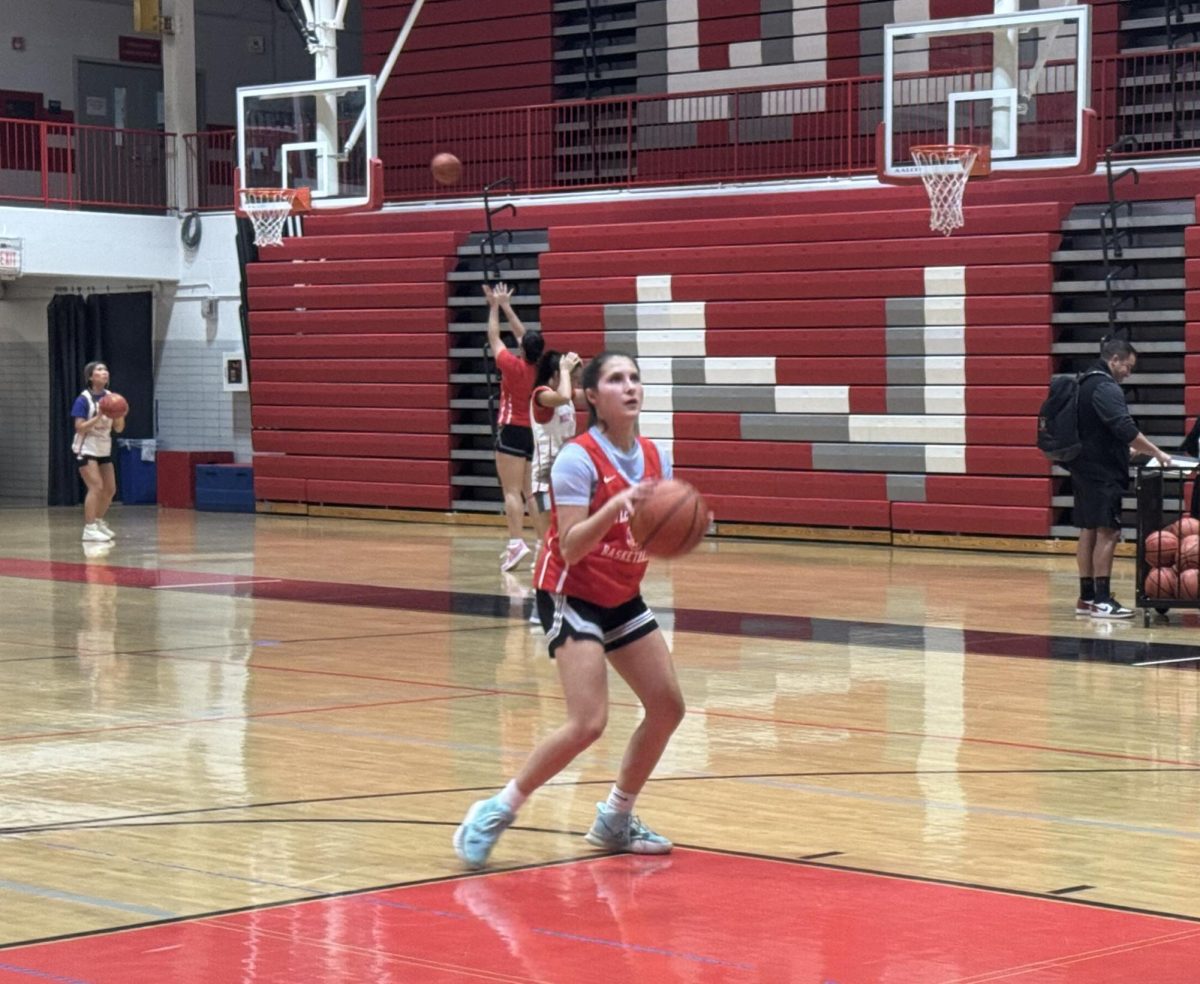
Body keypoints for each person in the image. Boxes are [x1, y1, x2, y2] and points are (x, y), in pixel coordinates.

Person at [453, 351, 690, 870]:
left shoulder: (657, 456)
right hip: (570, 591)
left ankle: (615, 818)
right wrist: (613, 508)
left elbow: (655, 529)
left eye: (635, 377)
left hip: (622, 593)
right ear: (590, 396)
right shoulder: (577, 459)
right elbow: (573, 545)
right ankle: (496, 810)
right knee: (589, 722)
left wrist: (673, 526)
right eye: (615, 379)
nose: (629, 386)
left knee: (668, 706)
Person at [1070, 337, 1171, 618]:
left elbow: (1094, 431)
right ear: (1114, 360)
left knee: (1088, 529)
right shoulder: (1105, 386)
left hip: (1082, 467)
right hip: (1102, 472)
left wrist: (1122, 451)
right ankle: (1103, 600)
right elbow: (1123, 426)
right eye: (1128, 366)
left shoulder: (1083, 382)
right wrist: (1157, 452)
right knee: (1109, 531)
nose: (1129, 372)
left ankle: (1087, 597)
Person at [484, 282, 544, 572]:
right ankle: (544, 545)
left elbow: (494, 336)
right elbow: (524, 337)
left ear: (523, 349)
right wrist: (507, 305)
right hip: (532, 432)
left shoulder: (512, 366)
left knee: (511, 491)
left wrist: (495, 306)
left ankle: (516, 543)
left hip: (510, 428)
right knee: (530, 492)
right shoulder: (542, 367)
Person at [529, 348, 583, 550]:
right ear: (556, 374)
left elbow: (590, 395)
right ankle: (542, 576)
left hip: (566, 476)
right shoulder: (541, 395)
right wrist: (565, 369)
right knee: (550, 540)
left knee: (567, 537)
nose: (576, 384)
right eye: (573, 378)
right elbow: (564, 395)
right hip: (545, 480)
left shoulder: (567, 396)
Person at [71, 361, 125, 542]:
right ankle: (89, 528)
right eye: (99, 370)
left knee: (110, 489)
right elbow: (79, 428)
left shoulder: (112, 397)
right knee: (96, 487)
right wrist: (99, 416)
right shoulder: (83, 399)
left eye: (106, 369)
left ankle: (99, 521)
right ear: (91, 377)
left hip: (103, 448)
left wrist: (119, 415)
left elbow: (118, 429)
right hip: (85, 447)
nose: (104, 372)